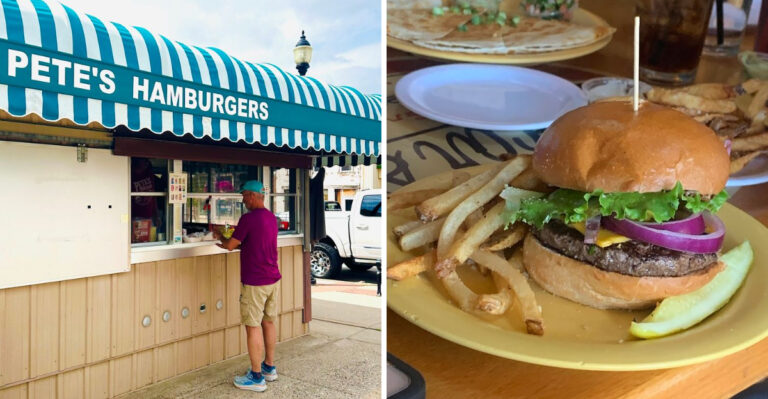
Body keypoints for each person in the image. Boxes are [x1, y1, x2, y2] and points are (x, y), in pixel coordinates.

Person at [214, 180, 281, 392]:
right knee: (268, 323)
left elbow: (230, 245)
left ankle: (256, 377)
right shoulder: (271, 217)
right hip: (273, 279)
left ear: (253, 196)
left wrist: (219, 235)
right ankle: (269, 367)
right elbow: (254, 242)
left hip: (255, 282)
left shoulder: (248, 219)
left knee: (252, 327)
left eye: (244, 195)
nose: (243, 200)